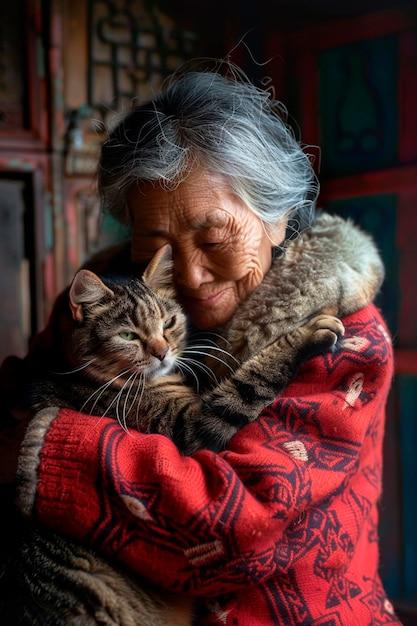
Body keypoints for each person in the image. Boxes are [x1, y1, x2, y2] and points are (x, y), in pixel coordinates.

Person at [0, 60, 401, 625]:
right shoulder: (109, 300)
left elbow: (235, 530)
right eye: (153, 241)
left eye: (214, 238)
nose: (188, 276)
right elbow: (17, 392)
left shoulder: (345, 340)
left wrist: (45, 451)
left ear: (278, 218)